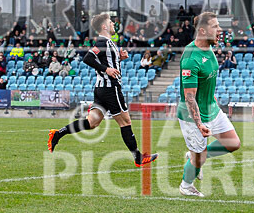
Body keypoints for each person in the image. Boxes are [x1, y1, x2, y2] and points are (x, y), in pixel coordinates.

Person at [47, 13, 157, 167]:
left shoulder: (109, 43)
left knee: (92, 122)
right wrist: (106, 69)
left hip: (101, 89)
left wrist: (119, 59)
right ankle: (138, 157)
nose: (113, 24)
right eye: (111, 22)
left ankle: (58, 134)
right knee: (126, 122)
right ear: (104, 26)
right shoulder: (102, 42)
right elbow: (88, 58)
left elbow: (107, 61)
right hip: (110, 88)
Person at [177, 12, 241, 197]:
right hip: (193, 116)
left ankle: (194, 156)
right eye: (215, 26)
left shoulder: (209, 48)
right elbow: (190, 98)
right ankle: (186, 185)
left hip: (212, 109)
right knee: (200, 157)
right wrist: (199, 124)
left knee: (233, 143)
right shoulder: (191, 58)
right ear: (203, 31)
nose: (220, 30)